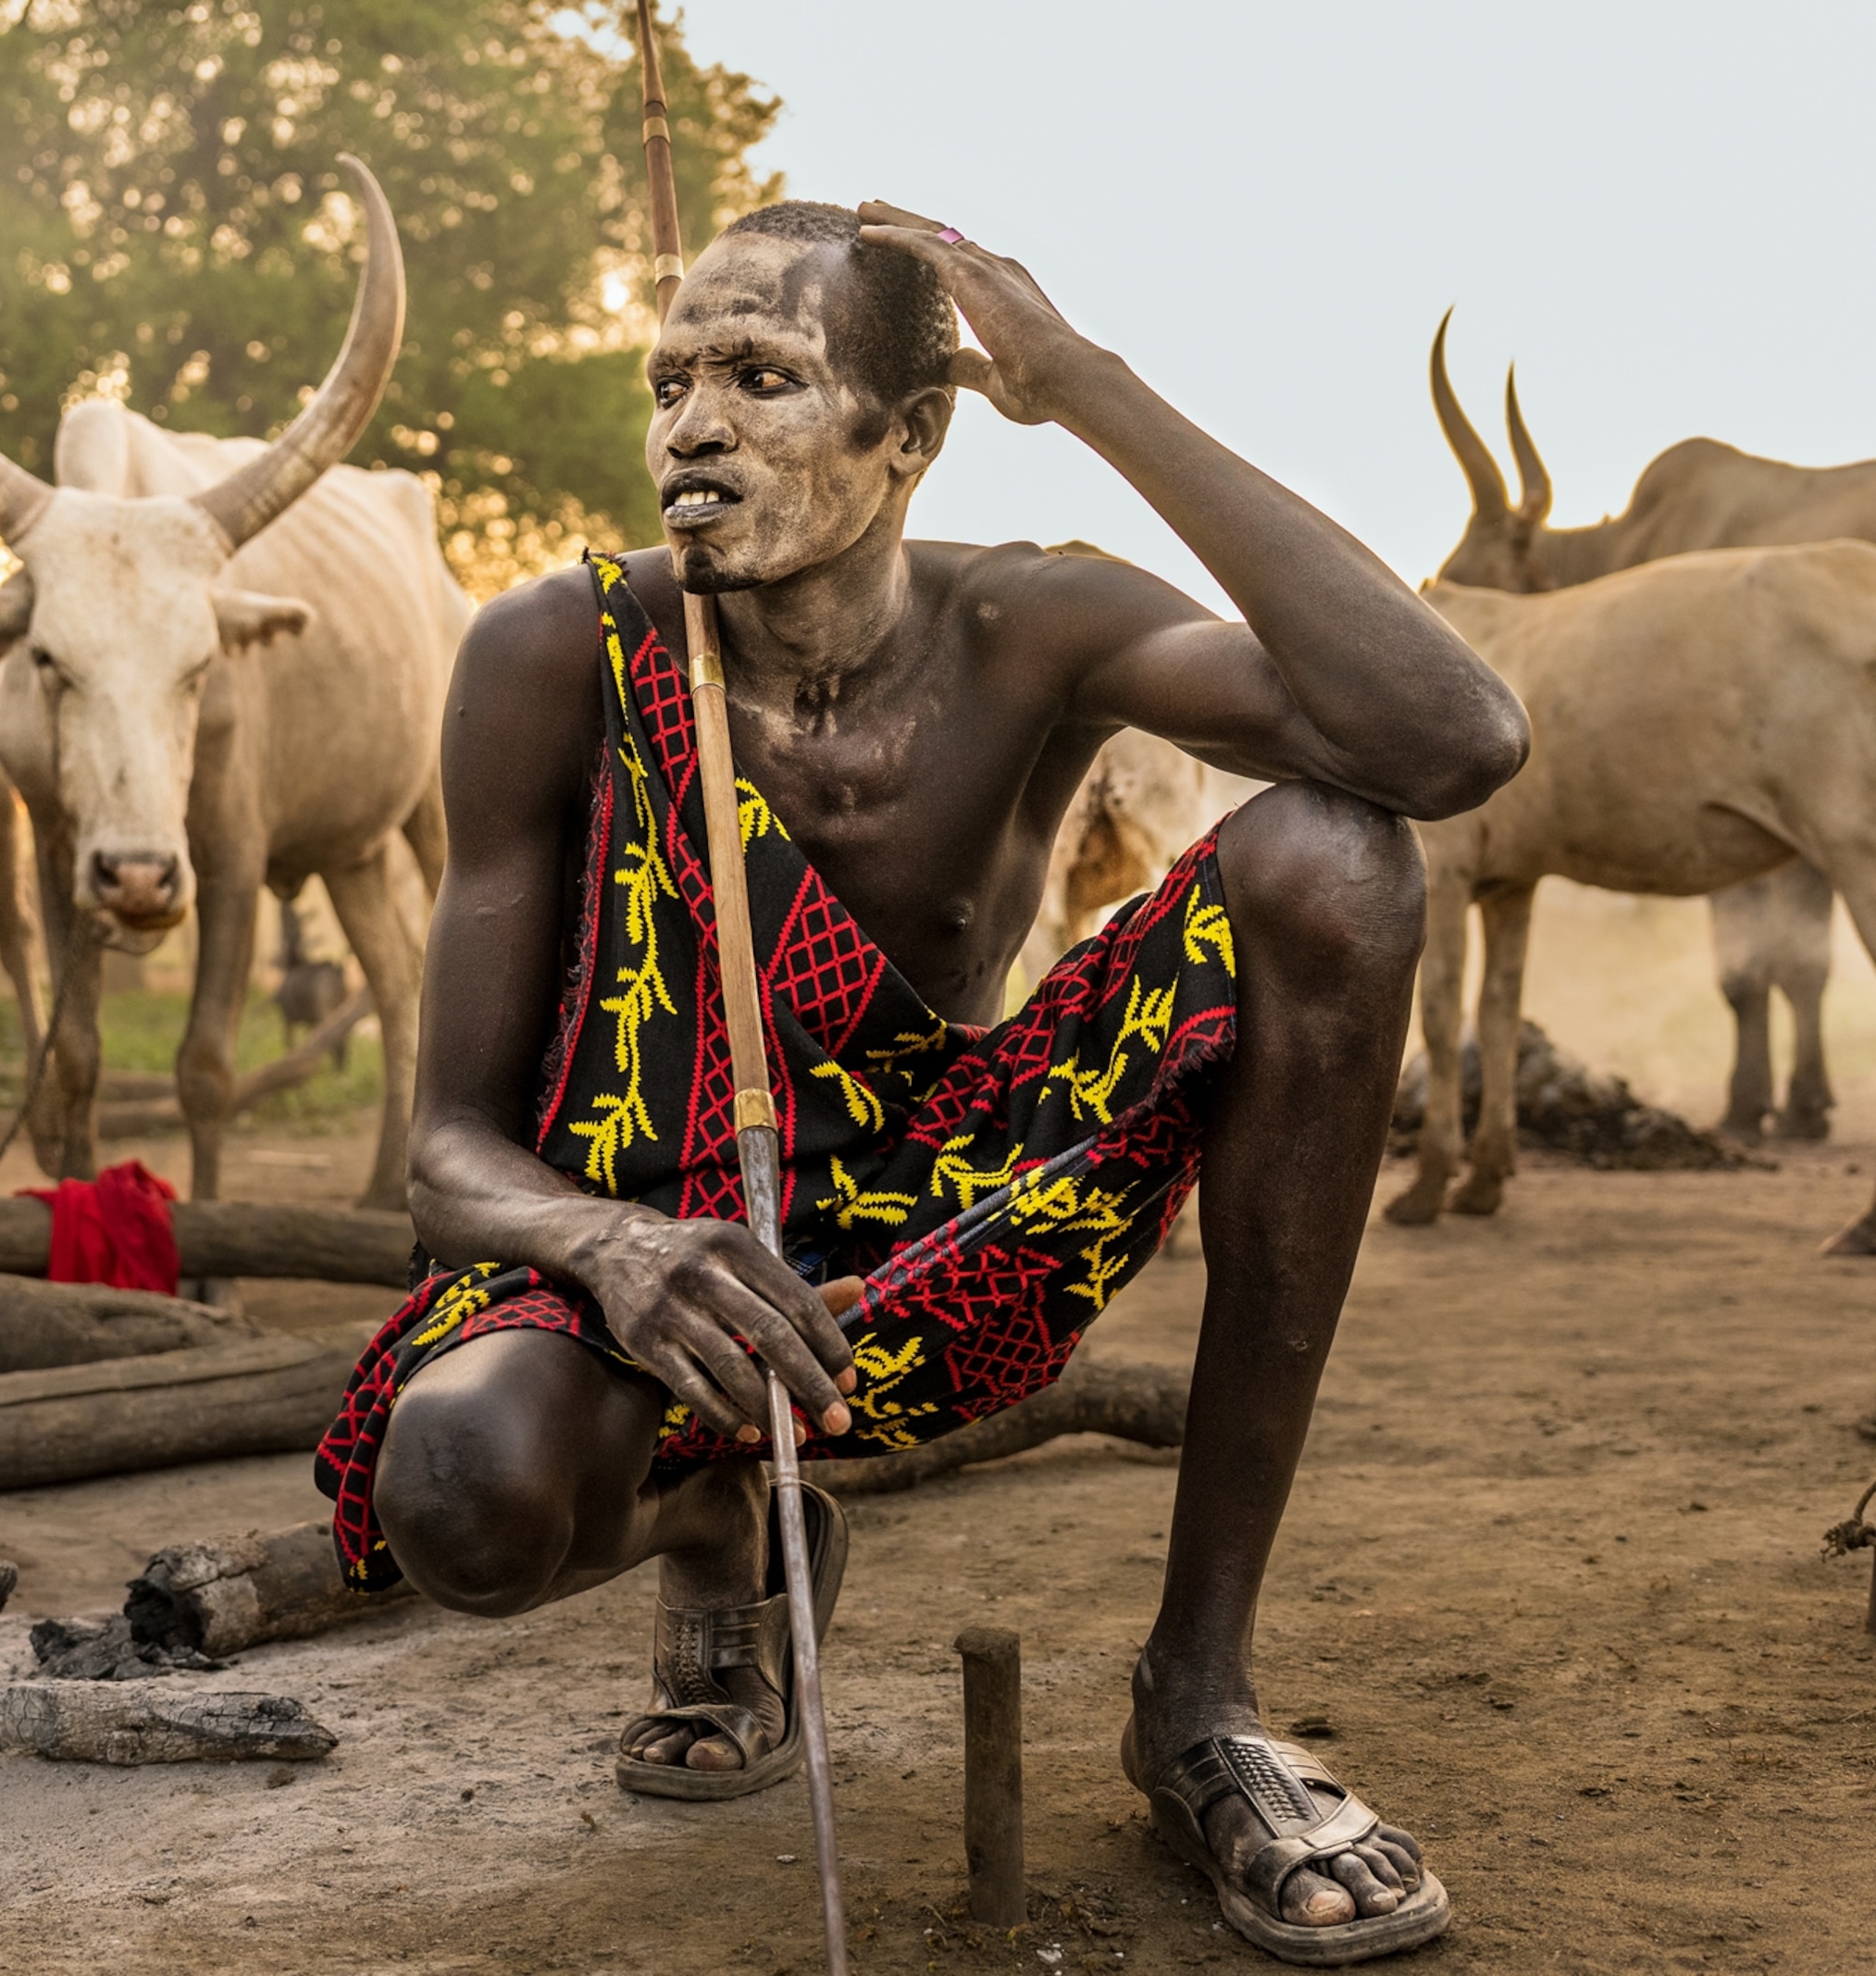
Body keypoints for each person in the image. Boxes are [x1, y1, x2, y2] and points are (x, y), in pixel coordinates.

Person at [310, 197, 1528, 1965]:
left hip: (947, 1221)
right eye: (670, 381)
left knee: (1342, 858)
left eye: (761, 378)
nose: (692, 430)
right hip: (644, 1256)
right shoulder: (556, 657)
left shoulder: (1033, 626)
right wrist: (618, 1249)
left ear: (913, 436)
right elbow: (445, 1158)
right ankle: (715, 1527)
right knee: (461, 1500)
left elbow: (1451, 740)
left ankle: (1202, 1701)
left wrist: (1092, 386)